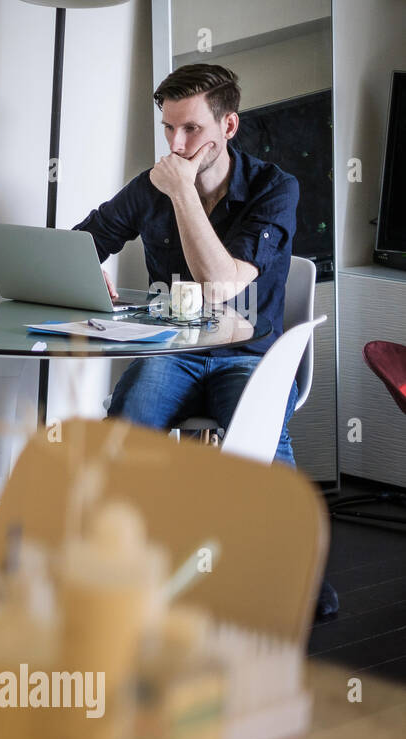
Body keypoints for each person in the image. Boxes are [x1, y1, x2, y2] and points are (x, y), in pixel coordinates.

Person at [73, 63, 300, 465]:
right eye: (168, 128)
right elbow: (79, 246)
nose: (176, 145)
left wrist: (182, 192)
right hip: (171, 352)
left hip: (248, 355)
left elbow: (219, 286)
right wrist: (86, 271)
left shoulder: (274, 189)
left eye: (191, 129)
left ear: (228, 127)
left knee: (256, 445)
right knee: (124, 434)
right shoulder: (150, 186)